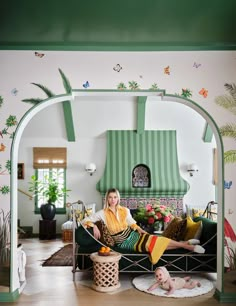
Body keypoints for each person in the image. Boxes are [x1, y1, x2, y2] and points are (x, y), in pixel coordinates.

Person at [82, 188, 205, 264]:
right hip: (124, 242)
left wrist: (141, 231)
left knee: (157, 239)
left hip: (133, 235)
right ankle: (186, 245)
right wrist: (94, 226)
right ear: (107, 199)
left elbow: (132, 224)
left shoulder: (125, 210)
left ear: (118, 198)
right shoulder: (102, 213)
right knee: (152, 244)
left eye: (115, 197)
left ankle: (187, 246)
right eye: (110, 197)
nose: (113, 200)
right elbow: (84, 220)